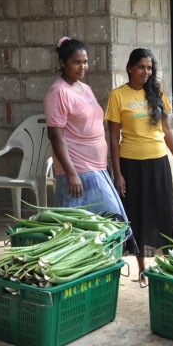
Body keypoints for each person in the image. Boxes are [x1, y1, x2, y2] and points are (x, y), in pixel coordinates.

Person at [105, 48, 173, 285]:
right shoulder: (117, 96)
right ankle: (142, 269)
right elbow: (113, 139)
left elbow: (167, 131)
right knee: (139, 216)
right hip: (131, 165)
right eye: (141, 67)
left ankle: (165, 267)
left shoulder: (157, 93)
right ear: (130, 68)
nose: (146, 72)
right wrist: (118, 174)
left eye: (149, 68)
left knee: (163, 212)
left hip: (159, 163)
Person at [44, 37, 134, 249]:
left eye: (85, 61)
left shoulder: (84, 88)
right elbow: (55, 136)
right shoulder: (58, 92)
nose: (82, 66)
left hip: (97, 167)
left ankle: (99, 270)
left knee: (100, 228)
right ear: (62, 62)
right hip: (78, 170)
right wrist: (71, 173)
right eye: (77, 62)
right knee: (85, 228)